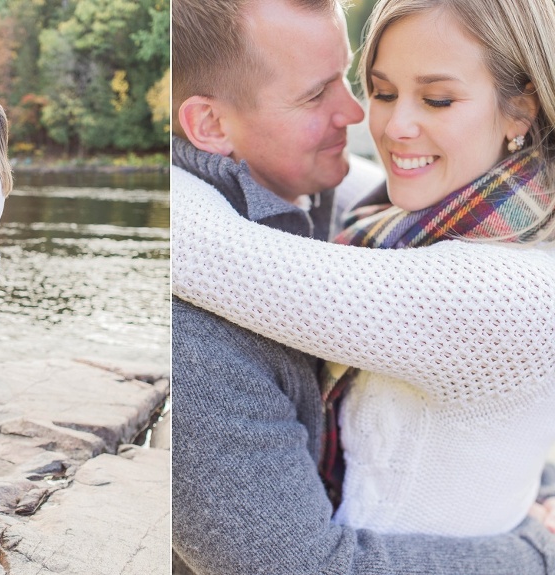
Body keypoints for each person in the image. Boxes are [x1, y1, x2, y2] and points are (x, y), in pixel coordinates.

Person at [171, 0, 555, 573]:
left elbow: (215, 250)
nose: (366, 119)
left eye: (438, 99)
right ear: (211, 125)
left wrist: (536, 550)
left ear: (520, 109)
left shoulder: (503, 290)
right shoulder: (399, 218)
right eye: (378, 89)